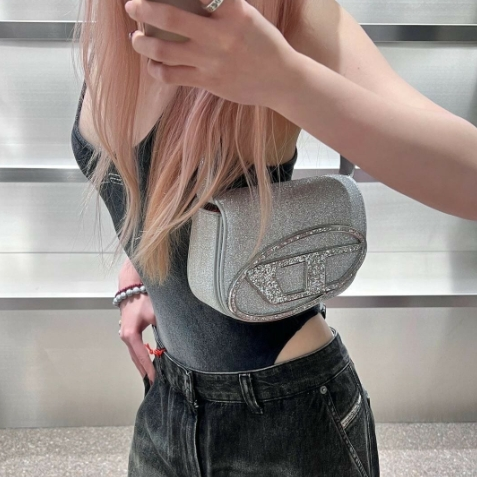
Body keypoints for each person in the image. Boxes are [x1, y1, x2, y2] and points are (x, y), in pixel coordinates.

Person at [71, 0, 477, 475]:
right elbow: (146, 181)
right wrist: (145, 266)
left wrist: (286, 79)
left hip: (284, 417)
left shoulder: (288, 13)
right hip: (166, 404)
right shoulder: (114, 17)